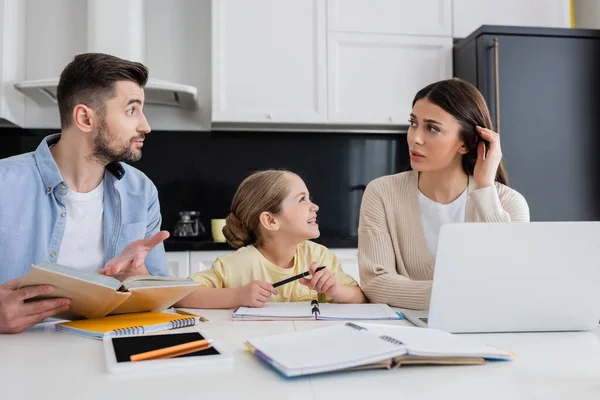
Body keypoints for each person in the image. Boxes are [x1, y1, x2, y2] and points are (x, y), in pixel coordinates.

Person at [0, 53, 170, 333]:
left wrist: (140, 281)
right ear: (85, 118)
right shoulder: (5, 183)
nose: (145, 126)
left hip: (109, 348)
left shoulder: (141, 192)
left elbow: (160, 301)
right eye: (132, 110)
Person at [358, 78, 530, 310]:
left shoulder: (508, 203)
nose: (415, 138)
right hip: (406, 334)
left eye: (432, 128)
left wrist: (486, 188)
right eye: (413, 123)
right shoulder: (381, 193)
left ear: (465, 144)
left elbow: (513, 282)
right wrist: (460, 294)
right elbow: (375, 284)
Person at [176, 170, 366, 308]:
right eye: (302, 199)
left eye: (310, 198)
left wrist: (335, 290)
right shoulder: (236, 265)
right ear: (270, 220)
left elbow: (360, 298)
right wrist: (237, 296)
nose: (314, 206)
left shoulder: (319, 257)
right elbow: (180, 295)